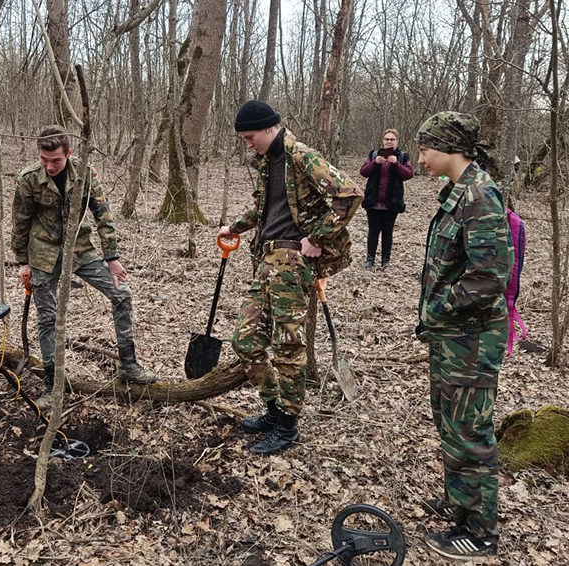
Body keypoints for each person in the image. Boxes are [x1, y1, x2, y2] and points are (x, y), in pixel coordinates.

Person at [218, 100, 362, 455]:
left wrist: (317, 238)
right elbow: (264, 207)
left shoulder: (302, 156)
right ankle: (272, 409)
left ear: (269, 128)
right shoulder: (269, 163)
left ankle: (287, 426)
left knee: (287, 348)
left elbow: (350, 195)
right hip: (266, 260)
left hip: (291, 263)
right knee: (245, 340)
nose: (248, 144)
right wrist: (234, 227)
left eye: (250, 137)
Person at [415, 111, 513, 560]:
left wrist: (437, 307)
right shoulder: (457, 193)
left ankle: (481, 532)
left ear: (449, 147)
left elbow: (489, 278)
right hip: (452, 334)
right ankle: (462, 503)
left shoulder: (480, 196)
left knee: (469, 430)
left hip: (471, 337)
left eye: (425, 148)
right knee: (450, 423)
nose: (420, 158)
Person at [12, 125, 155, 408]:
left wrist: (112, 257)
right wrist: (22, 262)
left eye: (56, 160)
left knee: (122, 294)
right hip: (43, 255)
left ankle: (128, 365)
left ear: (69, 152)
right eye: (44, 159)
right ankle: (53, 386)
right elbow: (20, 222)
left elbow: (103, 214)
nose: (50, 166)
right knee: (47, 319)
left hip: (81, 250)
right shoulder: (28, 179)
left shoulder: (85, 173)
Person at [359, 128, 413, 268]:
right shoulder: (374, 154)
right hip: (373, 201)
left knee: (388, 232)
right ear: (383, 140)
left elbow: (408, 174)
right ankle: (370, 259)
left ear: (397, 141)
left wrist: (396, 164)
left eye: (392, 139)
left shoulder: (402, 156)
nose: (389, 142)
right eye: (387, 139)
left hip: (392, 202)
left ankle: (385, 261)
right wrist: (375, 162)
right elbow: (363, 172)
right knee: (373, 231)